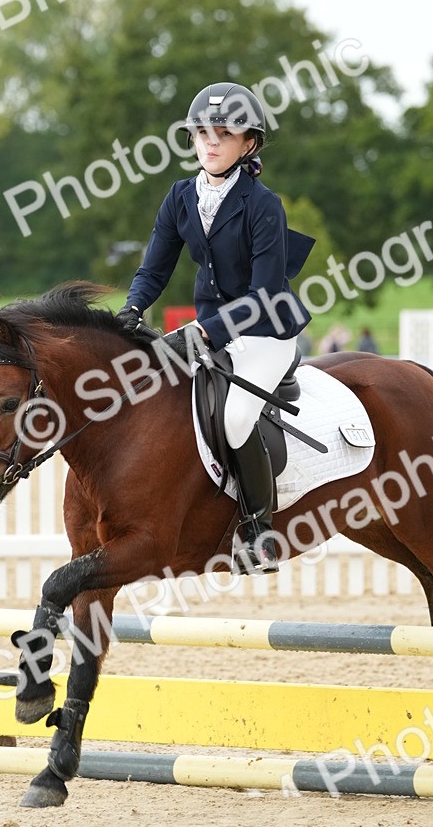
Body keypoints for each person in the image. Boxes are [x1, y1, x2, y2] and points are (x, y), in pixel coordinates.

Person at [115, 82, 315, 573]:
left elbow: (264, 293)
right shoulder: (180, 196)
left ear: (248, 144)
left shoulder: (263, 204)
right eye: (203, 132)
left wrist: (207, 332)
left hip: (265, 332)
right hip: (211, 329)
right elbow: (154, 269)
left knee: (236, 418)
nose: (210, 142)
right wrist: (131, 310)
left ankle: (260, 532)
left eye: (224, 134)